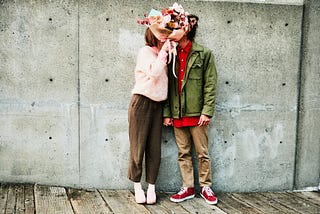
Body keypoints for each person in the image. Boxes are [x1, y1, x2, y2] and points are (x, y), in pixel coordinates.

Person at [163, 14, 218, 205]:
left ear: (186, 29)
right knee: (183, 153)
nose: (171, 32)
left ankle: (205, 187)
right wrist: (167, 113)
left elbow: (210, 84)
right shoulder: (170, 54)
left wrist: (207, 111)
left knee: (202, 153)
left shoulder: (204, 54)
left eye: (175, 28)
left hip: (197, 114)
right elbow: (167, 85)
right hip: (177, 113)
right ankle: (188, 187)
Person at [127, 27, 174, 204]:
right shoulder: (145, 52)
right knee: (138, 148)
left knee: (154, 149)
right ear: (152, 34)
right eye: (161, 34)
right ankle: (137, 187)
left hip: (158, 105)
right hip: (141, 102)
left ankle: (152, 187)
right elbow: (154, 72)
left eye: (166, 34)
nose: (164, 37)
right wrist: (163, 52)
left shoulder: (167, 54)